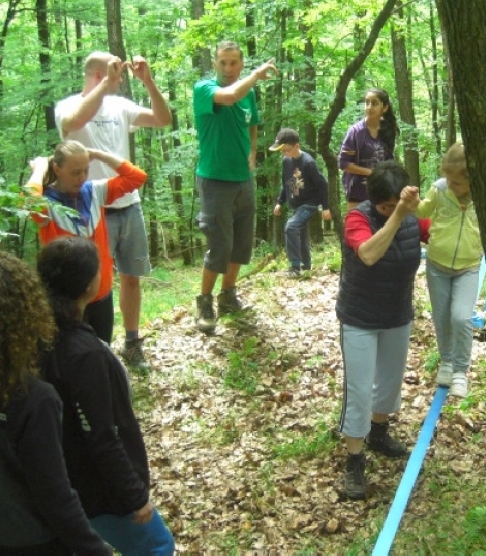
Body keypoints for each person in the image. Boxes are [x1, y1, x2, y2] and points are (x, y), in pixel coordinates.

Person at [37, 236, 175, 556]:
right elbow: (101, 434)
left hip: (62, 479)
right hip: (96, 488)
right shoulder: (81, 354)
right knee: (157, 547)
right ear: (88, 284)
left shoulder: (37, 334)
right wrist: (134, 496)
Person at [0, 252, 113, 555]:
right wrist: (98, 550)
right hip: (33, 541)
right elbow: (55, 497)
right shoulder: (33, 398)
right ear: (26, 312)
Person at [55, 51, 172, 369]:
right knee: (89, 283)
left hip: (127, 204)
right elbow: (72, 124)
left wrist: (149, 83)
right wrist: (107, 82)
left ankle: (132, 343)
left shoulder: (120, 107)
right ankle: (89, 349)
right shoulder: (68, 105)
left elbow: (163, 119)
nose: (120, 78)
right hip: (90, 211)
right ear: (96, 73)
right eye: (114, 72)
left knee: (131, 277)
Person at [336, 161, 430, 500]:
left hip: (397, 313)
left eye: (395, 204)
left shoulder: (414, 217)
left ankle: (378, 432)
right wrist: (398, 214)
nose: (391, 210)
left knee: (390, 383)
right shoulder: (357, 218)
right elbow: (369, 254)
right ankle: (354, 458)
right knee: (359, 389)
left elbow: (450, 236)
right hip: (359, 317)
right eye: (384, 206)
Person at [27, 140, 148, 351]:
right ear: (57, 168)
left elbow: (137, 177)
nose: (82, 177)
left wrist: (99, 154)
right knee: (70, 357)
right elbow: (26, 202)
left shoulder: (94, 191)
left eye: (85, 170)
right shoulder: (45, 204)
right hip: (66, 299)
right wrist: (39, 169)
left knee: (102, 350)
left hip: (100, 291)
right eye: (75, 172)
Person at [192, 40, 278, 333]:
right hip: (214, 179)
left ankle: (228, 296)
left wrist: (252, 150)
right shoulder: (204, 89)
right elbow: (228, 97)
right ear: (215, 64)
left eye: (233, 63)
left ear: (240, 64)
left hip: (243, 178)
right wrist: (254, 76)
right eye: (223, 63)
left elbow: (251, 122)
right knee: (219, 245)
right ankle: (204, 301)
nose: (228, 68)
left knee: (241, 244)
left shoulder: (249, 94)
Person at [416, 143, 482, 399]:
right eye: (448, 179)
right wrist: (412, 203)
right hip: (437, 264)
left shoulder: (483, 196)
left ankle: (460, 371)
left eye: (457, 182)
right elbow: (423, 210)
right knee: (442, 317)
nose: (451, 185)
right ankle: (446, 362)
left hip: (468, 266)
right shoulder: (441, 189)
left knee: (461, 318)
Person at [270, 127, 332, 277]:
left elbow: (322, 184)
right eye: (281, 151)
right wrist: (280, 202)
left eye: (286, 150)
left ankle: (295, 267)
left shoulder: (308, 162)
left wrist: (326, 207)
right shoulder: (286, 161)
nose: (284, 153)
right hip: (296, 205)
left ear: (296, 146)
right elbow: (286, 183)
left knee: (291, 227)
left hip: (309, 204)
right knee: (301, 231)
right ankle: (306, 265)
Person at [339, 88, 400, 209]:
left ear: (385, 107)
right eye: (367, 102)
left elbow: (389, 161)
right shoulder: (355, 132)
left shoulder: (388, 131)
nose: (369, 107)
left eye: (374, 103)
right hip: (357, 191)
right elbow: (343, 164)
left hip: (381, 190)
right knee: (358, 225)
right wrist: (372, 173)